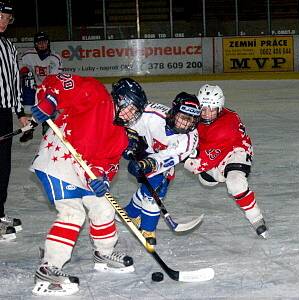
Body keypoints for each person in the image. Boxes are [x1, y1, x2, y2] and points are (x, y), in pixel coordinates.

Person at [29, 74, 140, 296]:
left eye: (135, 112)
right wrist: (49, 100)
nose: (130, 115)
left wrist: (102, 179)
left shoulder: (120, 135)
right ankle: (49, 267)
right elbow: (60, 82)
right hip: (57, 157)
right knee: (73, 213)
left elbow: (108, 164)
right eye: (129, 107)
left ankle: (105, 253)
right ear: (118, 98)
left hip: (83, 169)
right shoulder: (96, 94)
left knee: (104, 206)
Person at [112, 78, 201, 246]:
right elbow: (124, 120)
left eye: (191, 120)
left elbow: (169, 157)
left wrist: (149, 164)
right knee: (151, 186)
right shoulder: (151, 113)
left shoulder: (190, 138)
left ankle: (147, 227)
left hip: (159, 159)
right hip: (142, 148)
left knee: (155, 188)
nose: (186, 123)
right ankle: (132, 214)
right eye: (183, 117)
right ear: (173, 111)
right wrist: (127, 139)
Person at [184, 84, 268, 239]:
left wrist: (180, 157)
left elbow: (201, 163)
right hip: (214, 150)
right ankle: (218, 174)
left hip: (236, 150)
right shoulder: (196, 117)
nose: (207, 114)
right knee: (206, 180)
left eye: (212, 109)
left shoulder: (226, 123)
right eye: (203, 108)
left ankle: (256, 218)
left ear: (220, 108)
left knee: (235, 182)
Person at [0, 0, 30, 241]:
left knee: (3, 167)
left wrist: (20, 113)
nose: (2, 21)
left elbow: (13, 84)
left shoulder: (9, 47)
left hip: (3, 114)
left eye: (6, 18)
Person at [19, 31, 63, 143]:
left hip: (48, 88)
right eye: (39, 43)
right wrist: (23, 70)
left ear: (48, 43)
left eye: (44, 42)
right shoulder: (28, 55)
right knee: (28, 108)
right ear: (35, 44)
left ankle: (47, 128)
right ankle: (28, 130)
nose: (42, 45)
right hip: (33, 87)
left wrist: (47, 90)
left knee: (50, 107)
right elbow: (19, 66)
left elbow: (55, 78)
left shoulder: (55, 58)